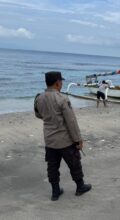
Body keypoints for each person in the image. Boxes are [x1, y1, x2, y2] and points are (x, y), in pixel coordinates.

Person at [34, 71, 91, 201]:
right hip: (65, 140)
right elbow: (71, 121)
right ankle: (80, 187)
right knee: (74, 164)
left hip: (49, 140)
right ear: (57, 83)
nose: (62, 84)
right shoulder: (62, 99)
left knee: (52, 167)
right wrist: (78, 140)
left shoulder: (39, 98)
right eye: (61, 81)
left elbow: (38, 115)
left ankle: (55, 192)